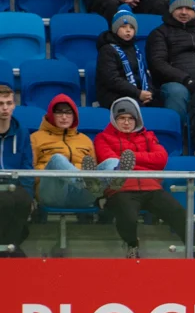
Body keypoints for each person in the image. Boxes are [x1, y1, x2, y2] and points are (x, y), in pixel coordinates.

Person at [95, 97, 195, 259]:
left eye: (130, 118)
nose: (126, 123)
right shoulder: (102, 138)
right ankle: (132, 246)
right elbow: (112, 162)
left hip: (151, 186)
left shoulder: (148, 136)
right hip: (121, 188)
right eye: (121, 119)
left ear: (137, 119)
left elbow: (161, 158)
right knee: (128, 217)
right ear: (114, 119)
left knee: (178, 212)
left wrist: (130, 158)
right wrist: (146, 161)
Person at [32, 95, 129, 208]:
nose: (64, 117)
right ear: (51, 115)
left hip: (80, 194)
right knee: (57, 159)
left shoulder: (85, 140)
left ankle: (113, 179)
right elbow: (29, 172)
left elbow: (93, 166)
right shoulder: (36, 138)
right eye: (59, 113)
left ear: (74, 116)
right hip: (52, 192)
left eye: (68, 113)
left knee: (113, 162)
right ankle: (83, 180)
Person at [96, 5, 154, 109]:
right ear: (115, 28)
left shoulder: (135, 49)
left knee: (159, 101)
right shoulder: (107, 50)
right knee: (135, 106)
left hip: (136, 93)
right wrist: (137, 93)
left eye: (131, 27)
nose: (128, 30)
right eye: (123, 26)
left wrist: (148, 92)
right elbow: (112, 80)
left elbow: (144, 73)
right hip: (113, 94)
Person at [0, 84, 34, 258]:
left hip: (14, 186)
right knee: (5, 202)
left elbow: (27, 167)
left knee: (23, 200)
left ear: (14, 105)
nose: (5, 108)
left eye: (8, 103)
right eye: (0, 104)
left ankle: (9, 246)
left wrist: (29, 195)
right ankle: (10, 249)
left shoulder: (21, 132)